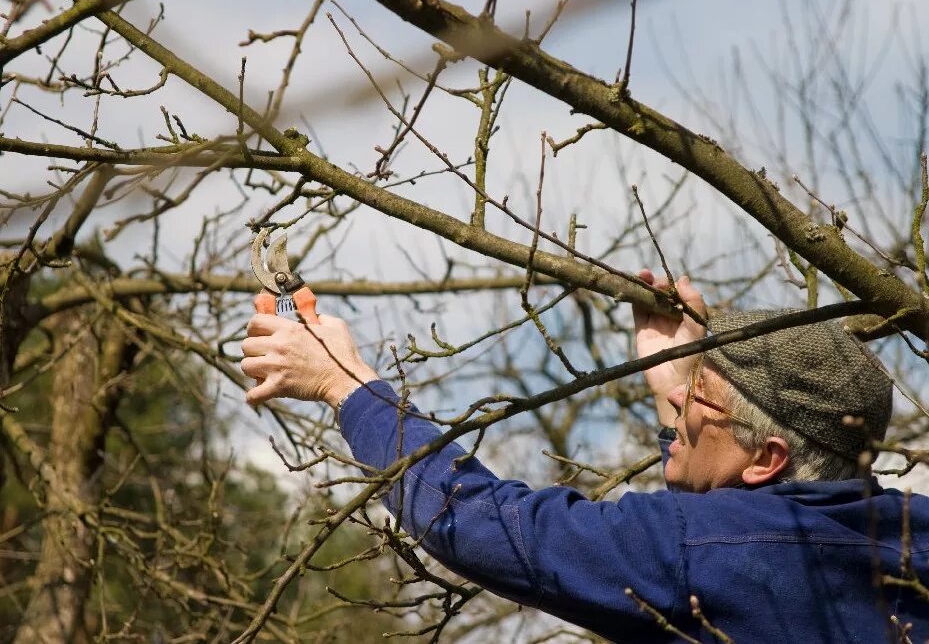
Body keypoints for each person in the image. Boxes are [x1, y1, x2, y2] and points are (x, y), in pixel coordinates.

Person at [240, 271, 929, 643]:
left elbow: (481, 523)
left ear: (766, 457)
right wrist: (673, 384)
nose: (680, 404)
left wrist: (346, 385)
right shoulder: (906, 536)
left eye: (698, 397)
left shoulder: (702, 548)